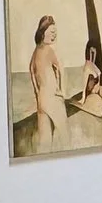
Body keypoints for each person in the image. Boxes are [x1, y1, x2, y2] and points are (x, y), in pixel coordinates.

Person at [28, 15, 66, 145]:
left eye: (55, 32)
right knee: (65, 136)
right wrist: (61, 90)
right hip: (53, 96)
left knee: (45, 142)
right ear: (43, 33)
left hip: (42, 99)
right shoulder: (50, 49)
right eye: (52, 32)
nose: (54, 35)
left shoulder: (36, 51)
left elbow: (31, 71)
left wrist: (37, 93)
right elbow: (61, 69)